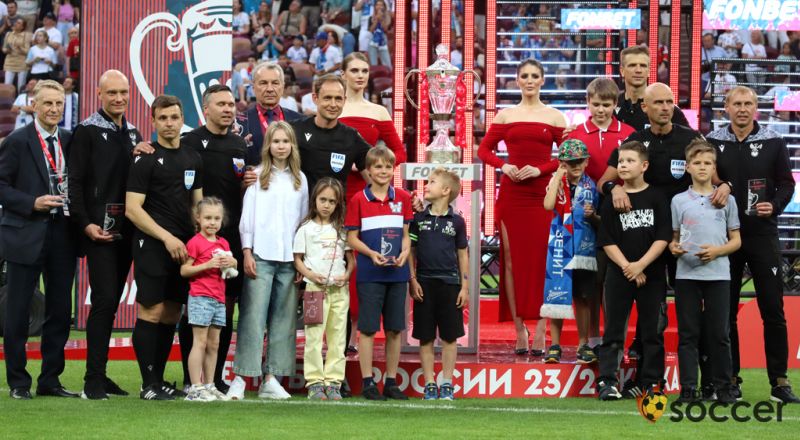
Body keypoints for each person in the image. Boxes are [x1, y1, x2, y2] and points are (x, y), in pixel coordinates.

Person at [706, 86, 800, 403]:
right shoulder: (713, 141)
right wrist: (721, 185)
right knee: (726, 311)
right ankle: (731, 379)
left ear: (756, 108)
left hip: (762, 234)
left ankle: (780, 382)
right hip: (725, 237)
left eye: (749, 104)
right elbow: (704, 178)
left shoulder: (774, 140)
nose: (743, 109)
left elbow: (787, 183)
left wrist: (773, 205)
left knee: (773, 309)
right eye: (737, 104)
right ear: (726, 108)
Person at [477, 58, 566, 356]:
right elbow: (483, 150)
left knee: (543, 262)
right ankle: (519, 329)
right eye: (524, 76)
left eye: (535, 76)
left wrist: (540, 170)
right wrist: (505, 166)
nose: (529, 80)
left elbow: (566, 156)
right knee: (511, 262)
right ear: (517, 80)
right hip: (512, 195)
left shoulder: (554, 117)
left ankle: (541, 327)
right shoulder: (505, 115)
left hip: (542, 196)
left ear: (543, 80)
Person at [68, 70, 143, 400]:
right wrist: (85, 224)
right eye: (112, 92)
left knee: (110, 304)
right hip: (98, 232)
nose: (119, 98)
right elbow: (74, 183)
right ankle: (92, 381)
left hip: (126, 232)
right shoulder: (85, 131)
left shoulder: (133, 133)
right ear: (99, 95)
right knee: (103, 302)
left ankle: (101, 374)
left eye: (124, 92)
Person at [0, 79, 77, 400]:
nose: (54, 109)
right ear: (34, 104)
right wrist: (32, 202)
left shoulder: (70, 140)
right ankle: (18, 382)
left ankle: (50, 380)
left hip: (62, 234)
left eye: (59, 104)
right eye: (47, 103)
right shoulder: (17, 141)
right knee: (17, 312)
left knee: (59, 311)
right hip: (24, 234)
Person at [125, 95, 203, 400]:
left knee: (172, 312)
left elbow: (198, 203)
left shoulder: (193, 158)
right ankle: (148, 384)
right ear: (153, 121)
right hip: (152, 245)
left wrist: (200, 239)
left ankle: (158, 380)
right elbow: (133, 209)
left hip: (183, 248)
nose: (169, 124)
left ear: (182, 119)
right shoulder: (144, 159)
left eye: (174, 117)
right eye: (163, 118)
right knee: (152, 310)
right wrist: (167, 238)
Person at [227, 121, 308, 400]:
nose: (281, 146)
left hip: (289, 259)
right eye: (276, 142)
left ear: (292, 145)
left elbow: (303, 221)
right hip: (260, 256)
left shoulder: (300, 180)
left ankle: (271, 378)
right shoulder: (258, 176)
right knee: (252, 317)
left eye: (286, 141)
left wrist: (300, 260)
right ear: (268, 146)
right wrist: (247, 252)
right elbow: (246, 219)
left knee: (283, 320)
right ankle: (241, 376)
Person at [178, 84, 251, 394]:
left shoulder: (239, 146)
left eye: (231, 103)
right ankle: (190, 379)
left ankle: (215, 378)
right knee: (192, 310)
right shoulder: (189, 142)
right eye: (220, 103)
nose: (227, 108)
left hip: (229, 242)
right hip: (197, 241)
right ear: (205, 109)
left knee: (224, 311)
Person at [339, 52, 406, 349]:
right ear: (343, 74)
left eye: (364, 70)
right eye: (354, 70)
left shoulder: (379, 112)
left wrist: (376, 174)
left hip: (369, 197)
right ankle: (337, 329)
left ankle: (355, 330)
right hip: (338, 193)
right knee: (338, 260)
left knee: (361, 259)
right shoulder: (333, 107)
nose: (360, 75)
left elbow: (399, 153)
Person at [596, 141, 671, 401]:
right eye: (620, 162)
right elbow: (606, 240)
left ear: (644, 165)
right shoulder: (611, 200)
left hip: (651, 273)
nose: (624, 165)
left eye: (629, 160)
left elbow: (663, 237)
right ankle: (607, 381)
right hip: (619, 273)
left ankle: (652, 382)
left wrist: (641, 265)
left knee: (653, 330)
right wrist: (628, 267)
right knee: (614, 330)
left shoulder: (658, 197)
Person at [669, 139, 741, 404]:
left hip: (719, 275)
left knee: (720, 334)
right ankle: (688, 389)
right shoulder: (678, 201)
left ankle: (723, 388)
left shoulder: (726, 200)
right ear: (687, 167)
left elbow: (736, 240)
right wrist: (674, 247)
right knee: (688, 334)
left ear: (714, 167)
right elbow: (674, 237)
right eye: (697, 163)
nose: (702, 167)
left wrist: (717, 252)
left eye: (707, 163)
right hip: (686, 275)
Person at [346, 145, 413, 401]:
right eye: (378, 166)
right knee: (368, 328)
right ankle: (367, 382)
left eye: (387, 166)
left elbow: (407, 236)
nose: (383, 171)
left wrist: (405, 252)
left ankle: (391, 381)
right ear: (369, 170)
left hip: (397, 274)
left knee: (395, 329)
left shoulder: (403, 198)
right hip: (369, 274)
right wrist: (371, 254)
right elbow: (351, 238)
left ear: (393, 168)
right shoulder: (358, 200)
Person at [409, 168, 469, 400]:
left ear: (445, 191)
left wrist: (464, 287)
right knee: (424, 336)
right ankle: (430, 384)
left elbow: (462, 254)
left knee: (449, 337)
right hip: (423, 283)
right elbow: (411, 251)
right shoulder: (418, 219)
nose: (426, 185)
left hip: (450, 284)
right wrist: (412, 280)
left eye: (431, 182)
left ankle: (447, 382)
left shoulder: (458, 222)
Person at [294, 178, 354, 401]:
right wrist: (310, 275)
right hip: (314, 289)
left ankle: (334, 381)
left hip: (339, 290)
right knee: (314, 337)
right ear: (314, 200)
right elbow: (297, 259)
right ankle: (315, 382)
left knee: (338, 337)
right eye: (323, 200)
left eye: (332, 201)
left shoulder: (341, 230)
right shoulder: (306, 229)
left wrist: (346, 275)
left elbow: (351, 259)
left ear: (338, 203)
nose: (326, 205)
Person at [541, 140, 599, 364]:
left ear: (586, 162)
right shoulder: (557, 182)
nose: (575, 166)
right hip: (559, 246)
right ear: (562, 163)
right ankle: (554, 345)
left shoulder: (591, 186)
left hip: (584, 248)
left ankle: (583, 344)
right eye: (569, 162)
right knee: (557, 293)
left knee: (582, 297)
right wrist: (557, 177)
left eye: (579, 161)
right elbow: (547, 206)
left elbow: (596, 218)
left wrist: (592, 215)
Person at [180, 197, 237, 402]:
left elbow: (232, 269)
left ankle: (210, 384)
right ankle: (195, 387)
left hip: (218, 299)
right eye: (208, 218)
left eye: (216, 218)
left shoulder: (223, 242)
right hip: (200, 298)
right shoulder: (195, 242)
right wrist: (208, 265)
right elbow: (185, 269)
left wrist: (233, 262)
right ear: (198, 218)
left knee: (214, 344)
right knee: (200, 342)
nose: (212, 223)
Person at [291, 74, 371, 194]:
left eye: (338, 99)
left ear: (344, 100)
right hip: (298, 210)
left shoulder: (351, 137)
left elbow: (376, 177)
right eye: (327, 98)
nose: (333, 105)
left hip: (336, 211)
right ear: (315, 98)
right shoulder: (294, 129)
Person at [239, 62, 303, 166]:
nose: (269, 89)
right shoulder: (239, 122)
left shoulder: (300, 121)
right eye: (263, 83)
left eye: (275, 83)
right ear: (253, 88)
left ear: (282, 87)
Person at [615, 45, 689, 131]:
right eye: (632, 65)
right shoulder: (612, 107)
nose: (638, 70)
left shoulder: (667, 108)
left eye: (643, 66)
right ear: (622, 71)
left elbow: (696, 141)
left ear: (649, 71)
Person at [3, 17, 30, 90]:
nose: (15, 24)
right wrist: (6, 50)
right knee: (7, 84)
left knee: (20, 86)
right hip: (10, 62)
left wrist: (20, 48)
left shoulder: (26, 35)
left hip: (21, 63)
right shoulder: (8, 34)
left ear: (22, 27)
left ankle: (20, 100)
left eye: (18, 23)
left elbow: (28, 51)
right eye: (16, 22)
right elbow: (4, 48)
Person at [367, 0, 392, 69]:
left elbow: (386, 29)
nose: (379, 7)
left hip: (383, 42)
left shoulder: (387, 17)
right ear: (375, 7)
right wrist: (376, 20)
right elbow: (371, 30)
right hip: (372, 41)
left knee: (388, 64)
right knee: (373, 64)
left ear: (384, 7)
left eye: (381, 5)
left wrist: (381, 19)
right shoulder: (370, 18)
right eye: (377, 5)